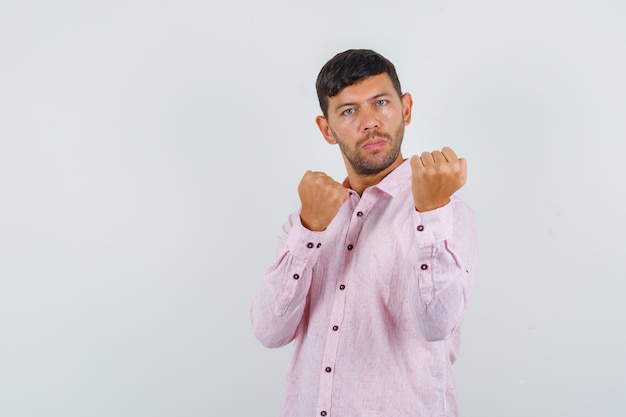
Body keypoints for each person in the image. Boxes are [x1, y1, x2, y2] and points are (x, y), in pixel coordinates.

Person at [250, 49, 478, 417]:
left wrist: (432, 211)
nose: (370, 122)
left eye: (381, 103)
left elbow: (435, 325)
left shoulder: (447, 213)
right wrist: (309, 229)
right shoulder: (307, 218)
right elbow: (269, 331)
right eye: (349, 111)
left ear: (406, 109)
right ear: (327, 129)